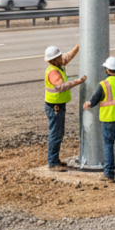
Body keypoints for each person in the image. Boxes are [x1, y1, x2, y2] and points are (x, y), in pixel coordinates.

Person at [83, 55, 115, 182]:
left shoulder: (104, 84)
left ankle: (109, 174)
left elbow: (95, 98)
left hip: (108, 120)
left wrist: (89, 104)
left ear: (107, 70)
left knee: (108, 146)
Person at [44, 43, 86, 171]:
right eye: (59, 56)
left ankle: (55, 160)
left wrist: (78, 46)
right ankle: (53, 162)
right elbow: (62, 87)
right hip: (55, 107)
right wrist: (78, 81)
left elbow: (68, 56)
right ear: (53, 60)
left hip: (58, 106)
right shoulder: (53, 72)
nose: (62, 57)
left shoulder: (58, 65)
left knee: (58, 133)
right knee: (56, 134)